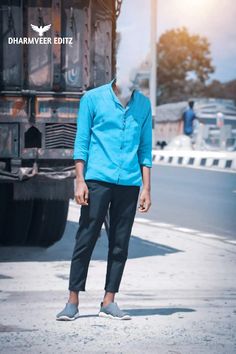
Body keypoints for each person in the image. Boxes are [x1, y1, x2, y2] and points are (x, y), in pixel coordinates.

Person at [56, 74, 152, 321]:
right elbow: (82, 142)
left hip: (129, 184)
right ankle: (72, 301)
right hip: (97, 180)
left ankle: (109, 301)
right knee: (85, 238)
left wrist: (147, 189)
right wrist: (80, 180)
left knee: (120, 244)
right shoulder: (92, 99)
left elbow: (145, 150)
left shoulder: (143, 104)